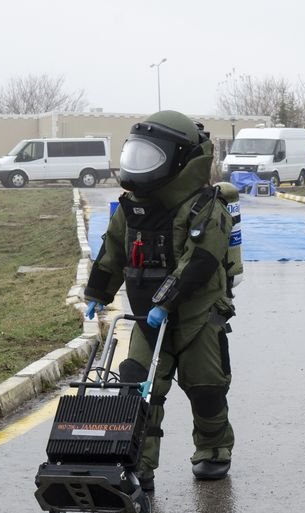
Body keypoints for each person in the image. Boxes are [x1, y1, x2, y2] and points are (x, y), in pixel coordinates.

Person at [84, 110, 236, 491]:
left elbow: (198, 262)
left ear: (182, 161)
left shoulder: (205, 207)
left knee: (206, 388)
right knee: (138, 388)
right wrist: (97, 293)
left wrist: (164, 302)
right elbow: (112, 251)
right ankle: (137, 463)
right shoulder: (133, 208)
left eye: (151, 156)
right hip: (146, 320)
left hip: (197, 315)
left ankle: (213, 450)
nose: (139, 165)